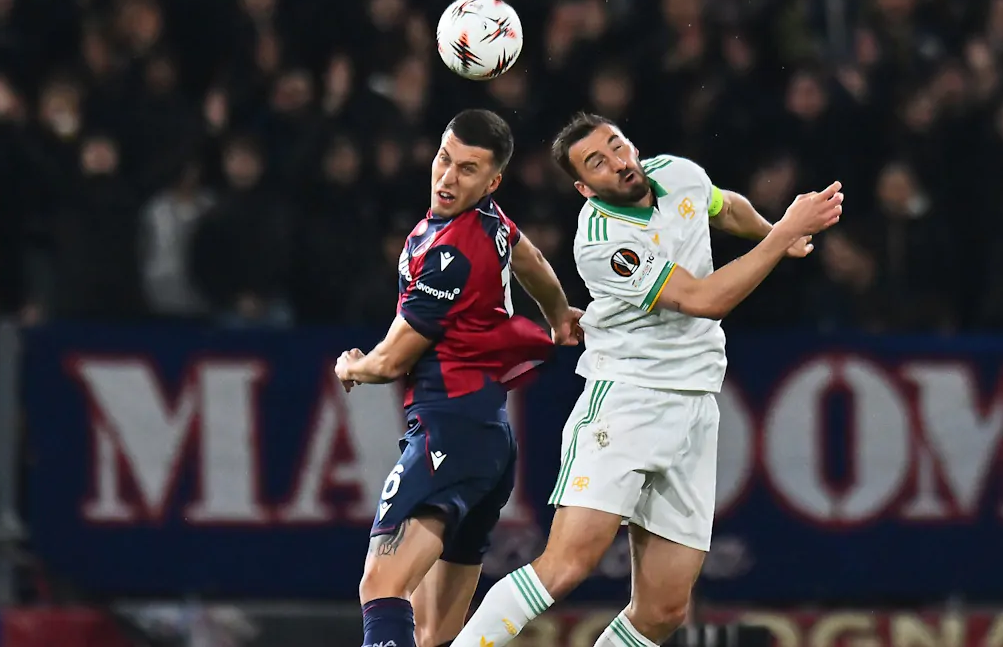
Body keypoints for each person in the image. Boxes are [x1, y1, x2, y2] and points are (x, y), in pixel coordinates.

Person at [452, 112, 844, 647]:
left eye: (617, 146)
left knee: (663, 610)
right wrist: (783, 237)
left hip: (696, 405)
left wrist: (772, 231)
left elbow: (723, 206)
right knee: (566, 565)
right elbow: (705, 299)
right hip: (628, 401)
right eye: (597, 163)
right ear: (584, 188)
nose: (617, 163)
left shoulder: (677, 172)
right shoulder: (601, 242)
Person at [333, 109, 583, 647]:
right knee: (433, 632)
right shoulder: (489, 221)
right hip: (488, 440)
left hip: (448, 431)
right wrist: (559, 314)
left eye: (468, 170)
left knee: (382, 583)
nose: (448, 177)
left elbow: (392, 361)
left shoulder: (449, 254)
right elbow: (530, 258)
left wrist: (351, 365)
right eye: (445, 159)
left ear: (492, 181)